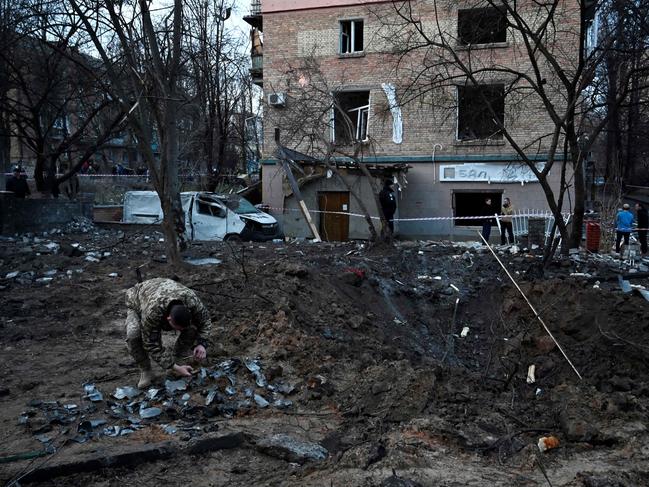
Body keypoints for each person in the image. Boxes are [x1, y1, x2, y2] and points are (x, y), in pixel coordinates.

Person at [125, 278, 212, 388]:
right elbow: (151, 345)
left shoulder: (192, 302)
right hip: (137, 299)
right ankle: (146, 370)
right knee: (134, 334)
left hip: (166, 291)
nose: (179, 331)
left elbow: (206, 321)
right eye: (177, 328)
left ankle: (177, 360)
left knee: (192, 329)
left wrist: (202, 344)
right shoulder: (153, 313)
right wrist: (172, 366)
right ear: (169, 319)